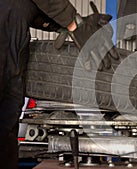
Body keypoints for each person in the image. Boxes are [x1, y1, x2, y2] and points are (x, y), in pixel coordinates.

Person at [0, 0, 118, 168]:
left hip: (13, 46)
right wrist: (73, 22)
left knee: (5, 132)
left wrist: (62, 24)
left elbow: (22, 8)